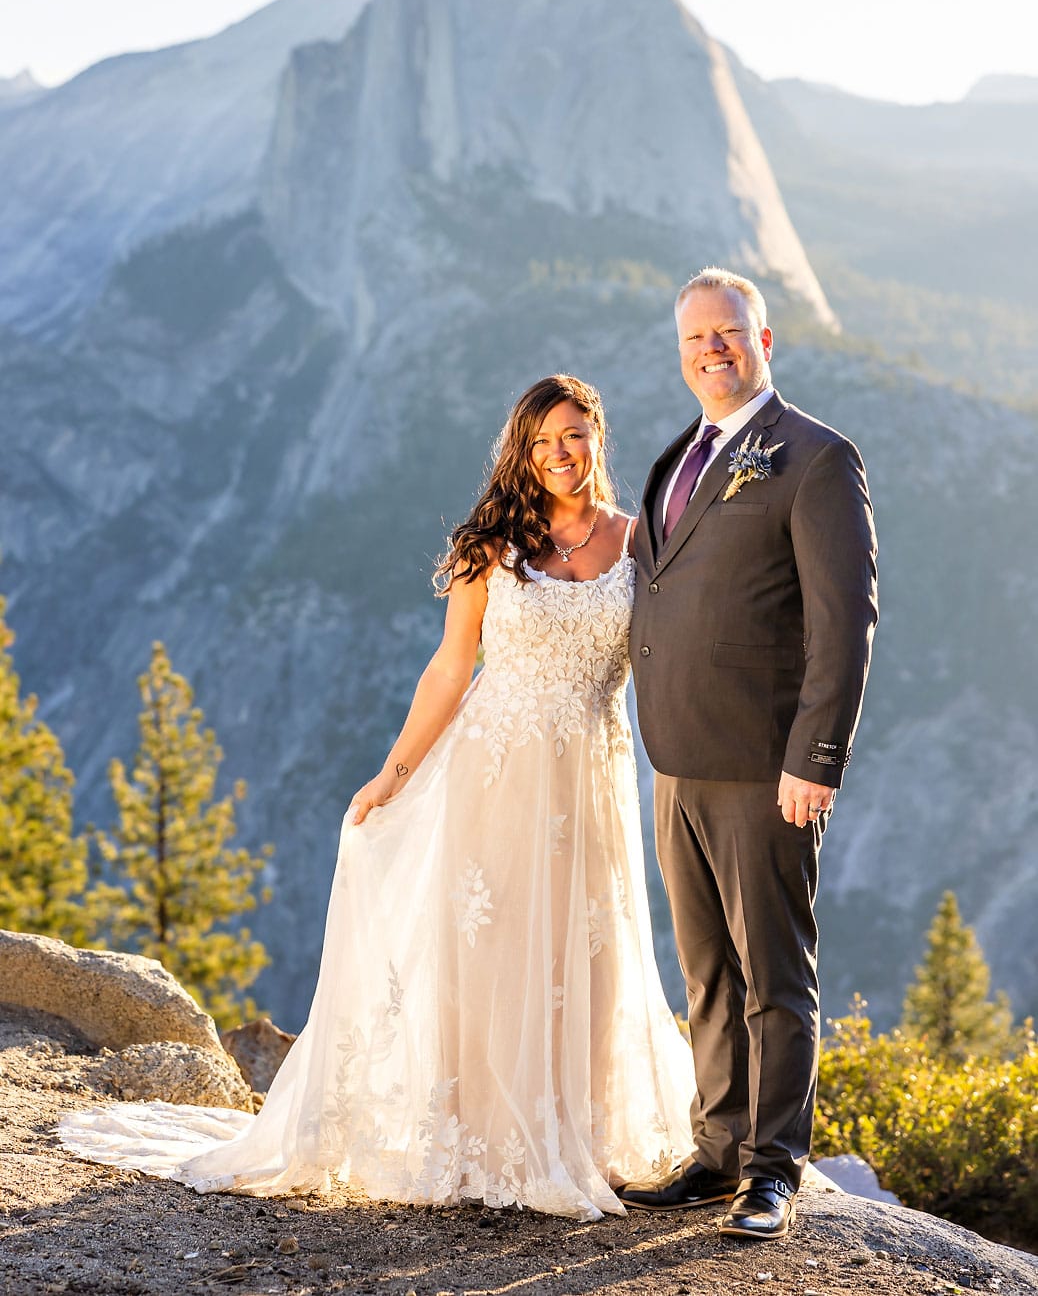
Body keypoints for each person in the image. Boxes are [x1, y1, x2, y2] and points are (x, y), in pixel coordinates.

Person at [57, 375, 695, 1222]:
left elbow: (671, 651)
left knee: (590, 949)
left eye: (573, 435)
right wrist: (393, 774)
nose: (559, 455)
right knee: (492, 946)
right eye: (541, 442)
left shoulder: (638, 540)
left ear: (599, 435)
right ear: (521, 450)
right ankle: (491, 1137)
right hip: (495, 771)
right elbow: (449, 668)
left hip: (592, 776)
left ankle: (580, 1131)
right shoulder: (492, 544)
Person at [620, 269, 878, 1239]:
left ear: (766, 338)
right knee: (707, 976)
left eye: (728, 334)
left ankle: (773, 1169)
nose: (712, 350)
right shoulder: (676, 459)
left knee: (774, 976)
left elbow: (843, 623)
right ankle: (718, 1146)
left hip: (765, 766)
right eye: (695, 339)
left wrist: (815, 756)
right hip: (675, 761)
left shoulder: (814, 458)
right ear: (681, 352)